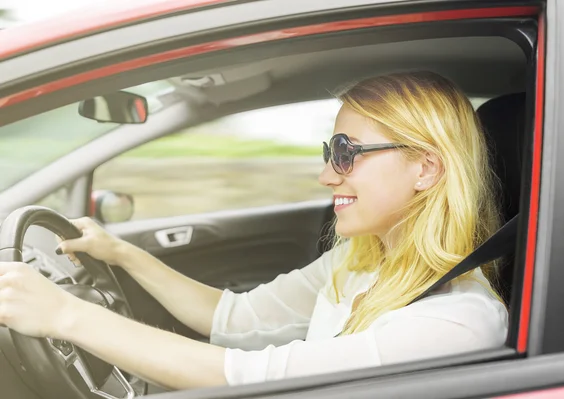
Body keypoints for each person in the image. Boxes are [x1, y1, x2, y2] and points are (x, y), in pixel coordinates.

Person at [0, 71, 508, 389]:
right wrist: (121, 253)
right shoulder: (359, 261)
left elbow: (243, 377)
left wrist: (66, 315)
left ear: (427, 169)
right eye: (330, 153)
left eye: (347, 153)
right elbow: (234, 317)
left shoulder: (454, 320)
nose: (327, 175)